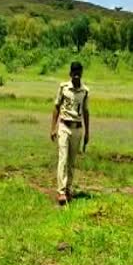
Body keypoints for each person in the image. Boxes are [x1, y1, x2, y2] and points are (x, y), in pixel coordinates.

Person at [50, 61, 90, 206]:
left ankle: (68, 188)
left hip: (78, 128)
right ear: (70, 73)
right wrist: (53, 128)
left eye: (79, 71)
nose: (76, 74)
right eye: (74, 71)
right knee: (63, 158)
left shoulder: (85, 91)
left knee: (72, 161)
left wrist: (87, 133)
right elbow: (56, 107)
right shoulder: (63, 88)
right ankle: (61, 191)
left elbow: (86, 112)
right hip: (64, 126)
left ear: (81, 72)